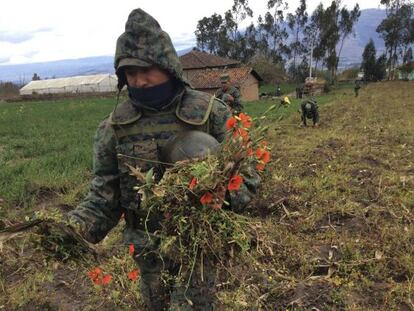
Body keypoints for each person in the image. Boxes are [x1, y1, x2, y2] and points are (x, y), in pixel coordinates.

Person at [67, 8, 258, 311]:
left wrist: (224, 196)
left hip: (197, 244)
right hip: (147, 251)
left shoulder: (211, 112)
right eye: (131, 73)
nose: (139, 81)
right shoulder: (114, 128)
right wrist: (71, 230)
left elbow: (247, 173)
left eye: (146, 71)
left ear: (167, 67)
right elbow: (104, 197)